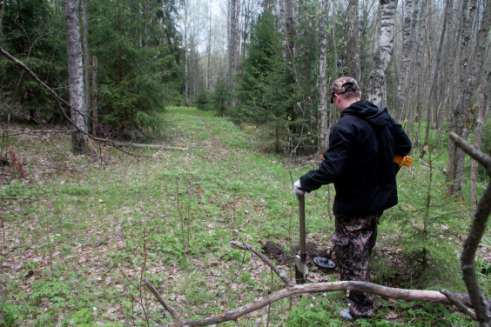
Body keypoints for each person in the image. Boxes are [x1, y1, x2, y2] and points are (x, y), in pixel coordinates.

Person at [293, 76, 412, 320]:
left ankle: (361, 309)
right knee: (363, 247)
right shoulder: (381, 117)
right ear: (357, 94)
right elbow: (405, 145)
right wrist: (389, 173)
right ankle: (356, 291)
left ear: (337, 98)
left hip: (356, 203)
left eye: (333, 100)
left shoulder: (345, 126)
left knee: (351, 253)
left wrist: (304, 183)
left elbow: (332, 168)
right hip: (378, 200)